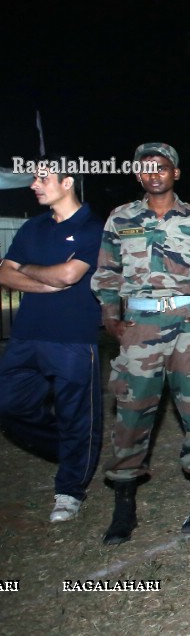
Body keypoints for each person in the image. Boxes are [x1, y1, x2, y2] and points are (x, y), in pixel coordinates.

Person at [91, 142, 190, 544]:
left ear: (176, 173)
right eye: (146, 168)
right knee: (131, 415)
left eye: (161, 167)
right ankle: (123, 506)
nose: (154, 173)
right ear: (138, 174)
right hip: (139, 329)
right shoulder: (121, 219)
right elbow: (107, 271)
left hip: (187, 327)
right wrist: (110, 316)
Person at [0, 168, 103, 522]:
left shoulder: (93, 227)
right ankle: (72, 450)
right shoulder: (33, 227)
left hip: (73, 337)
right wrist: (42, 277)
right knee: (9, 405)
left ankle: (69, 490)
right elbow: (3, 273)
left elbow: (70, 275)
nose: (33, 185)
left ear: (67, 182)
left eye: (42, 179)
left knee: (77, 414)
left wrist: (26, 270)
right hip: (27, 334)